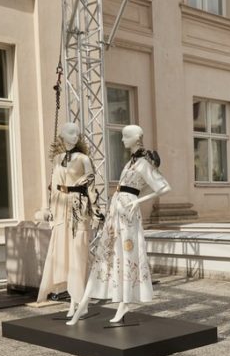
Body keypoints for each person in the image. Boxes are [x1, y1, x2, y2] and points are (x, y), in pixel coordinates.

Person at [66, 125, 170, 325]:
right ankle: (106, 303)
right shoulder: (131, 163)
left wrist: (136, 200)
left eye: (125, 137)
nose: (122, 140)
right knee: (105, 256)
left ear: (136, 138)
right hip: (117, 213)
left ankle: (123, 302)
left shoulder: (141, 164)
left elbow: (164, 187)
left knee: (126, 255)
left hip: (128, 217)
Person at [36, 122, 94, 317]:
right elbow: (54, 186)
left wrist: (96, 212)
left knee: (78, 254)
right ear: (62, 135)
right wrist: (51, 213)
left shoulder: (84, 159)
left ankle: (80, 301)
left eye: (77, 132)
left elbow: (91, 187)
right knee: (64, 255)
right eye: (71, 132)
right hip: (61, 210)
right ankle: (72, 300)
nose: (75, 135)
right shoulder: (58, 159)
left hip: (78, 208)